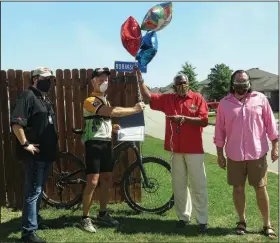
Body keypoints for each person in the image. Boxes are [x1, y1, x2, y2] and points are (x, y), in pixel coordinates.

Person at [135, 67, 209, 233]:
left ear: (188, 84)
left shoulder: (197, 98)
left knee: (198, 185)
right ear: (175, 86)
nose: (181, 86)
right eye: (178, 84)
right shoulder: (168, 99)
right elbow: (149, 97)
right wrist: (140, 80)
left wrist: (183, 119)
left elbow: (204, 120)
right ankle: (183, 216)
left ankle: (202, 220)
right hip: (176, 150)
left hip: (194, 150)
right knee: (179, 185)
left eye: (184, 83)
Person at [79, 68, 146, 233]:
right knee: (93, 181)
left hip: (106, 142)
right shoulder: (90, 100)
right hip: (93, 143)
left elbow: (105, 119)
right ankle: (84, 218)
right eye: (100, 79)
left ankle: (102, 213)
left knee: (107, 179)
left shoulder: (105, 100)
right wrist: (135, 109)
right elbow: (111, 112)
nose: (104, 82)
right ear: (93, 81)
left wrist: (112, 127)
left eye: (106, 79)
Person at [214, 70, 278, 238]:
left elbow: (271, 124)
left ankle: (267, 224)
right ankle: (241, 221)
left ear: (249, 82)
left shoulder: (260, 99)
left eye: (244, 81)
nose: (242, 84)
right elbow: (219, 131)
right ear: (233, 83)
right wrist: (219, 154)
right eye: (238, 81)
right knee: (238, 188)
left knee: (260, 187)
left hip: (257, 153)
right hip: (234, 154)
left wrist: (275, 145)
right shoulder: (224, 103)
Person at [11, 67, 58, 243]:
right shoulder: (27, 96)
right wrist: (25, 144)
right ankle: (28, 232)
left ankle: (35, 220)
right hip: (34, 156)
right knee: (33, 191)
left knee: (38, 192)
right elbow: (16, 123)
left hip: (46, 154)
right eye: (46, 78)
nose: (49, 82)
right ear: (35, 79)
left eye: (51, 79)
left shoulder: (43, 98)